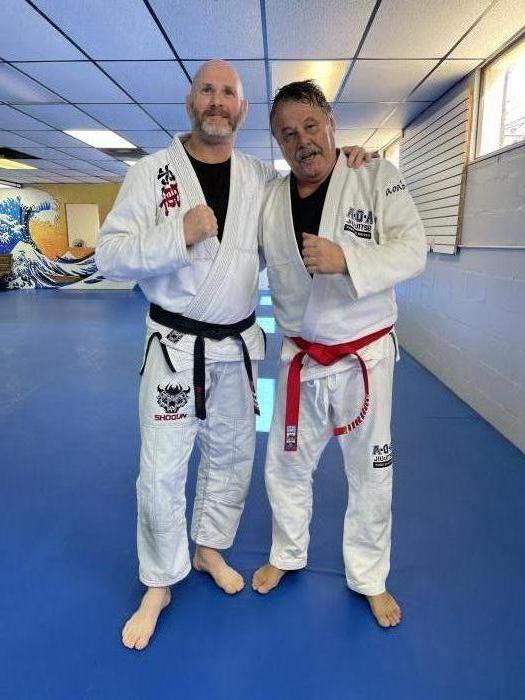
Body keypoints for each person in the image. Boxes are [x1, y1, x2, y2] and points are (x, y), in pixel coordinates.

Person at [96, 61, 370, 650]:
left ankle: (208, 549)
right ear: (190, 101)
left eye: (229, 93)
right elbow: (110, 256)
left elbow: (309, 191)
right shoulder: (150, 174)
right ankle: (158, 582)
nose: (217, 101)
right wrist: (179, 233)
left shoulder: (260, 179)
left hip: (239, 348)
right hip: (174, 348)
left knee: (232, 456)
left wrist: (350, 166)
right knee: (162, 468)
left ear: (242, 110)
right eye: (207, 90)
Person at [252, 80, 427, 628]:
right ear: (278, 143)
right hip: (300, 358)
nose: (302, 141)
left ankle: (370, 578)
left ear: (332, 125)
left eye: (311, 126)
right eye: (287, 134)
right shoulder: (270, 200)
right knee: (285, 464)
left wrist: (347, 258)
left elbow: (414, 249)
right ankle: (286, 553)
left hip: (363, 359)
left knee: (371, 472)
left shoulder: (375, 176)